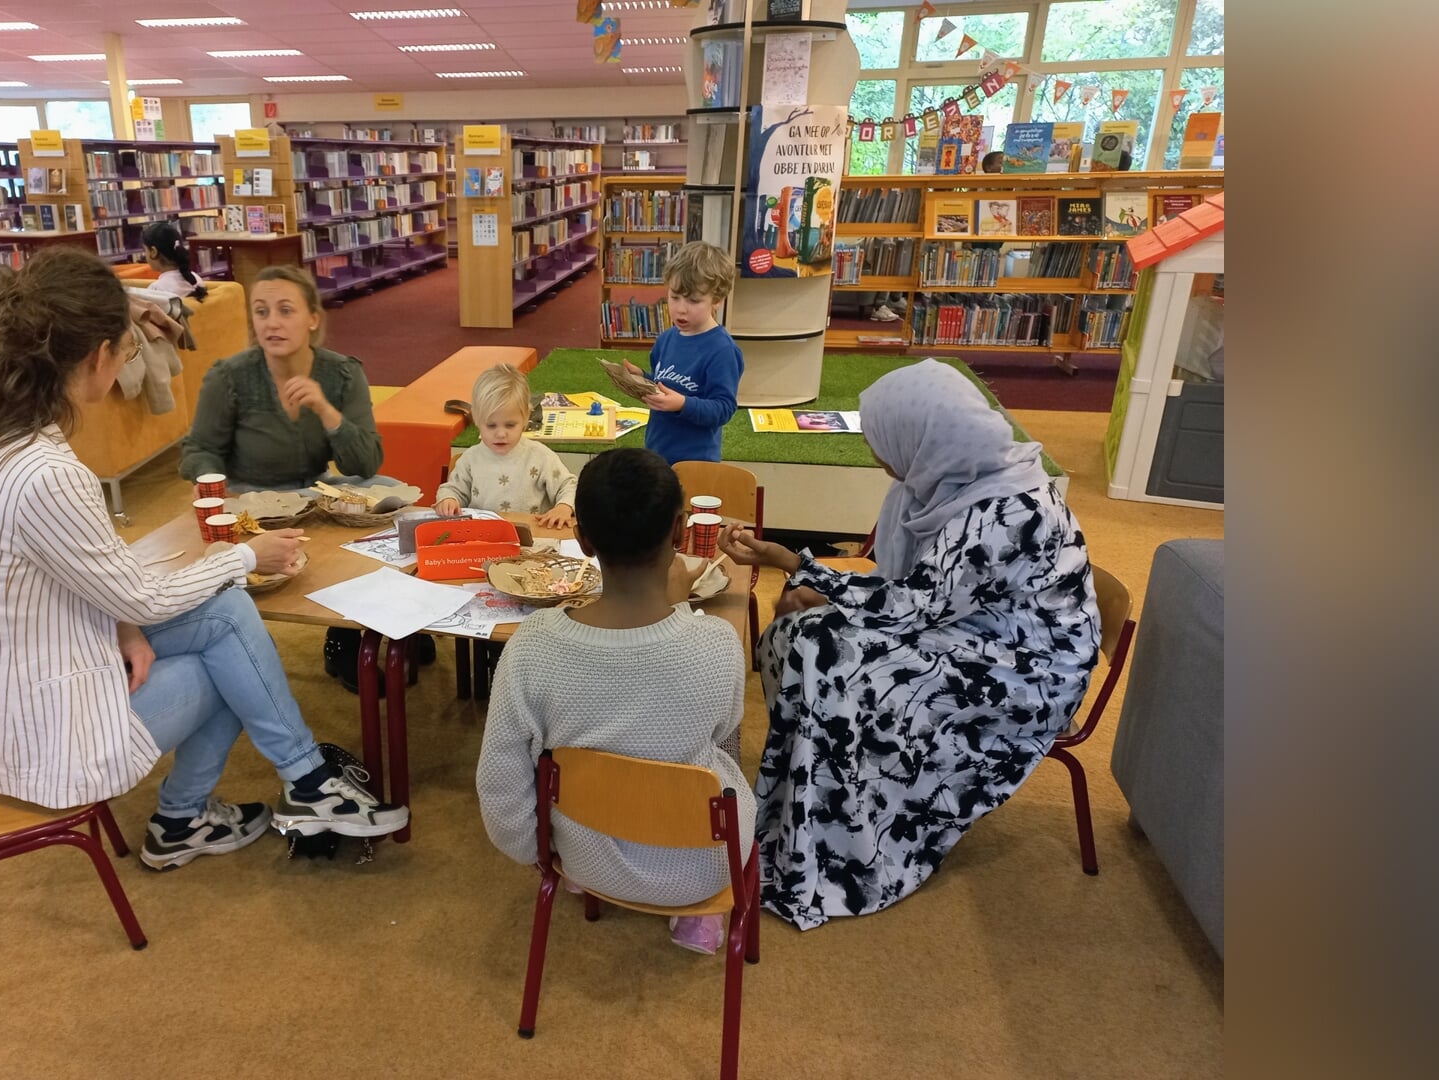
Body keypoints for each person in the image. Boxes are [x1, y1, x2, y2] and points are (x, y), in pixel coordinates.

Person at [0, 247, 407, 871]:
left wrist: (130, 625)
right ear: (100, 356)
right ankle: (225, 804)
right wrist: (243, 555)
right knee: (232, 665)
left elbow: (82, 577)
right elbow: (140, 594)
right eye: (127, 349)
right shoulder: (48, 473)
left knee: (231, 621)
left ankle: (288, 786)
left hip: (13, 693)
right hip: (47, 733)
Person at [716, 359, 1100, 930]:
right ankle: (798, 804)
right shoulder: (956, 482)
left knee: (831, 663)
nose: (878, 456)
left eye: (882, 442)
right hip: (972, 628)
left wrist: (797, 565)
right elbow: (919, 592)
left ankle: (842, 846)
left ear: (926, 438)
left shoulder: (1005, 511)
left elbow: (913, 605)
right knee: (800, 637)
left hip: (1024, 672)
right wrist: (816, 584)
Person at [476, 448, 746, 955]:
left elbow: (500, 781)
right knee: (724, 759)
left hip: (583, 856)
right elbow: (723, 734)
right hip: (703, 866)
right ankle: (703, 915)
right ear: (679, 530)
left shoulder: (532, 645)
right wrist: (682, 605)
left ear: (580, 537)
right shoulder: (717, 644)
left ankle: (598, 869)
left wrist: (541, 853)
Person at [177, 264, 406, 693]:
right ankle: (318, 645)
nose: (272, 322)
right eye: (261, 312)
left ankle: (355, 630)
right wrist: (207, 479)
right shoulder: (229, 376)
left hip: (315, 490)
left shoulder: (341, 373)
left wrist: (326, 410)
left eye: (285, 310)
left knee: (392, 493)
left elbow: (366, 463)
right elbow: (199, 447)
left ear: (313, 319)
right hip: (249, 497)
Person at [621, 241, 743, 465]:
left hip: (697, 462)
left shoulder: (722, 350)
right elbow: (665, 385)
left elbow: (723, 409)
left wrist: (683, 404)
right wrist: (641, 378)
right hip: (657, 454)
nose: (681, 308)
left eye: (693, 300)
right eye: (674, 297)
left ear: (717, 300)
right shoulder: (666, 339)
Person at [433, 364, 576, 528]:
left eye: (510, 425)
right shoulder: (470, 459)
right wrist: (448, 499)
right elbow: (453, 489)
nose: (501, 434)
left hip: (532, 542)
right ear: (477, 420)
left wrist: (564, 507)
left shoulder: (540, 456)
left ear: (526, 417)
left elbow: (569, 485)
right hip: (483, 539)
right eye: (491, 426)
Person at [139, 220, 208, 301]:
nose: (144, 255)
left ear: (153, 252)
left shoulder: (156, 289)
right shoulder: (196, 279)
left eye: (145, 250)